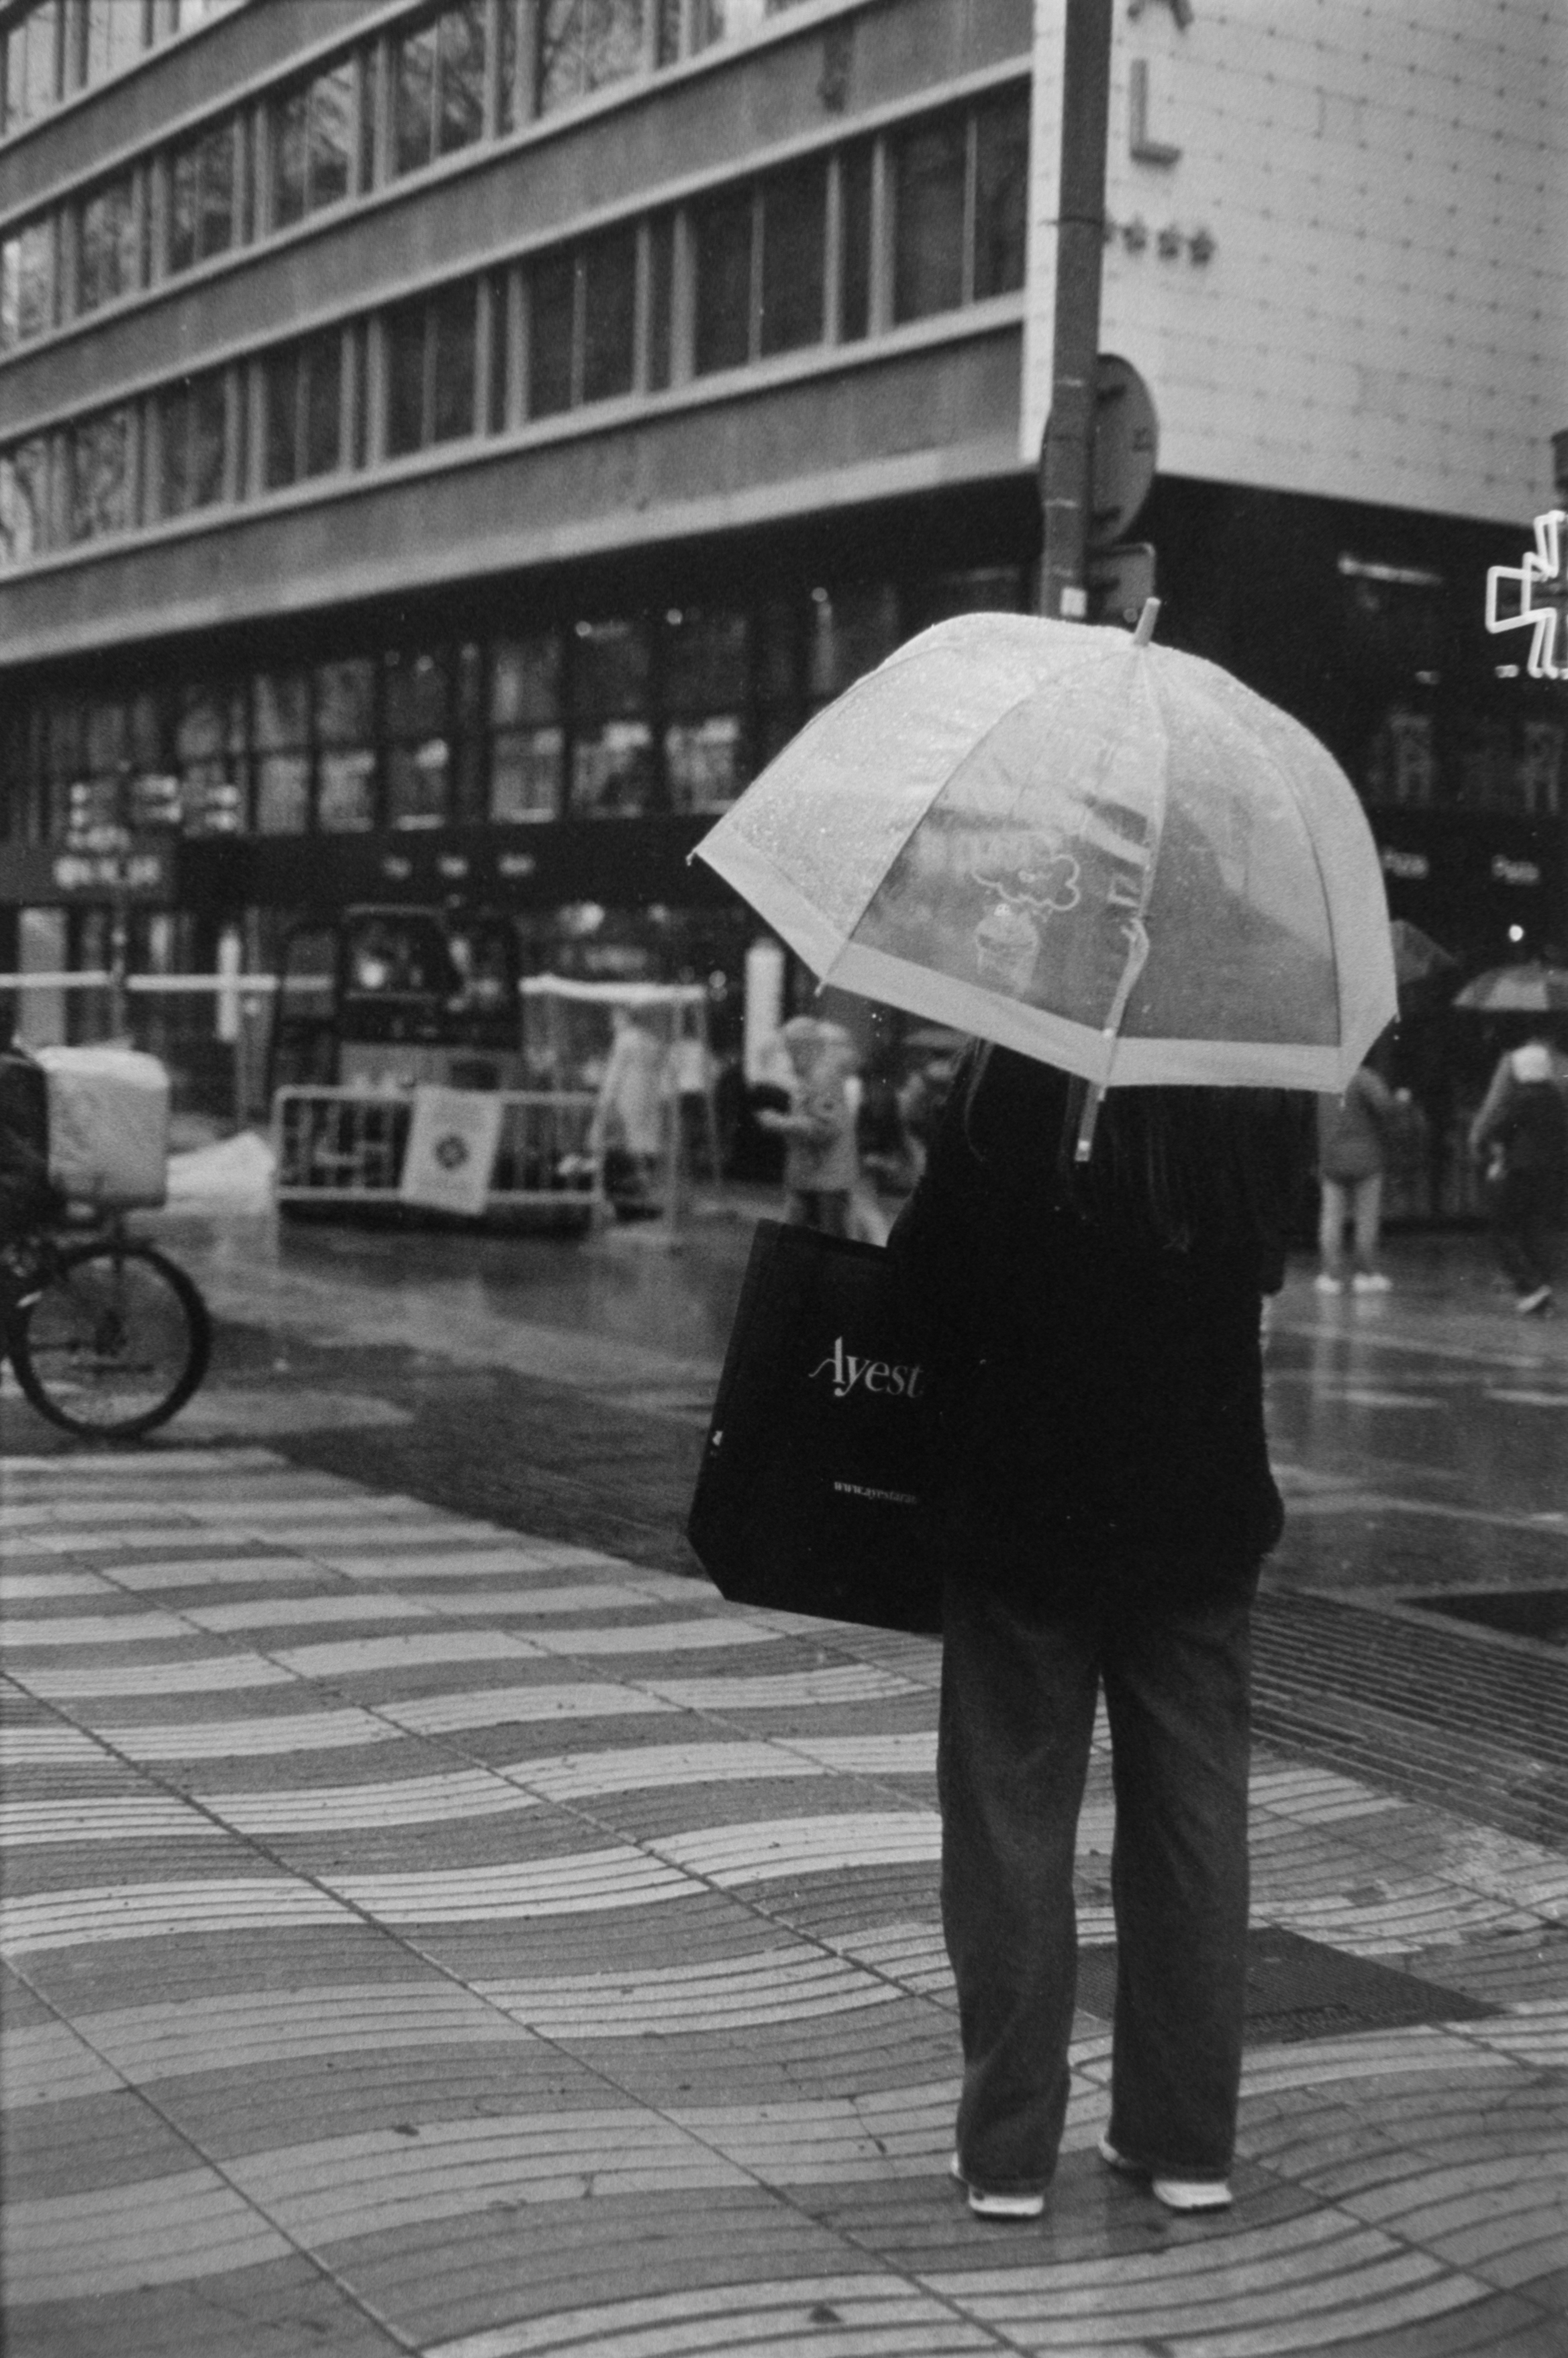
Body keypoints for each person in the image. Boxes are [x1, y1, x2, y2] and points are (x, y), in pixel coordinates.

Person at [888, 1044, 1306, 2222]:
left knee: (1010, 1820)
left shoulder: (1018, 1056)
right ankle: (1185, 2142)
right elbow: (1266, 1259)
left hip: (1025, 1501)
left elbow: (927, 1267)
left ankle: (1008, 2152)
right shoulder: (1258, 1068)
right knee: (1194, 1818)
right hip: (1197, 1501)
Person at [1468, 1032, 1568, 1316]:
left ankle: (1530, 1285)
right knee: (1538, 1229)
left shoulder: (1519, 1099)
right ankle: (1542, 1284)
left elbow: (1494, 1129)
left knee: (1503, 1230)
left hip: (1518, 1171)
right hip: (1552, 1172)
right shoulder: (1556, 1099)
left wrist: (1481, 1144)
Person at [755, 1015, 860, 1236]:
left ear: (805, 1047)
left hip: (826, 1180)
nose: (789, 1056)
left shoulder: (822, 1077)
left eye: (791, 1049)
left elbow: (826, 1129)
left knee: (825, 1242)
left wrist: (780, 1123)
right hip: (813, 1177)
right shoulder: (813, 1076)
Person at [1314, 1059, 1400, 1293]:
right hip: (1366, 1159)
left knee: (1331, 1219)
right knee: (1366, 1219)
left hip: (1331, 1157)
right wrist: (1400, 1101)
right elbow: (1385, 1106)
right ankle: (1366, 1274)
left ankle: (1331, 1276)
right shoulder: (1364, 1077)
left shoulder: (1321, 1081)